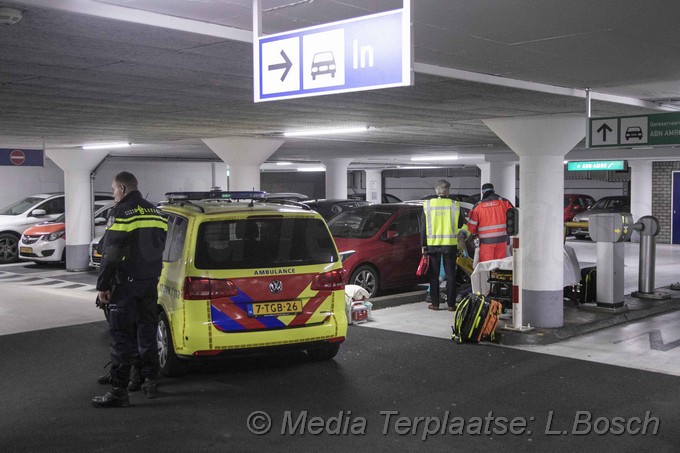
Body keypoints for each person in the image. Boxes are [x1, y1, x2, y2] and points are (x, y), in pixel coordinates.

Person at [92, 172, 168, 408]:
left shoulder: (121, 212)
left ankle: (119, 391)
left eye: (114, 189)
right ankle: (150, 381)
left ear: (123, 188)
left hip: (125, 284)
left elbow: (111, 252)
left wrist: (103, 285)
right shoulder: (157, 211)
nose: (114, 193)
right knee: (147, 331)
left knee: (120, 336)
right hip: (149, 282)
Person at [420, 180, 467, 311]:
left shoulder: (427, 205)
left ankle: (435, 304)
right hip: (450, 245)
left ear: (436, 191)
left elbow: (423, 227)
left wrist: (423, 245)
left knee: (434, 275)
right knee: (451, 275)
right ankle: (451, 305)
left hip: (433, 244)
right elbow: (459, 225)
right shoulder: (455, 205)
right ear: (448, 191)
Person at [465, 183, 514, 263]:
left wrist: (475, 233)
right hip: (502, 241)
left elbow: (472, 227)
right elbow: (514, 218)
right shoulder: (505, 202)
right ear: (494, 191)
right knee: (500, 265)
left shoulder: (478, 206)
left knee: (486, 266)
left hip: (486, 243)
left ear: (483, 193)